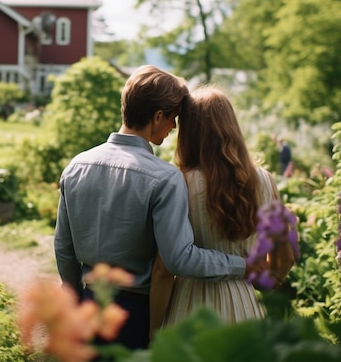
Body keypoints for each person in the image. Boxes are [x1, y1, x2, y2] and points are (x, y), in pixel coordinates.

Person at [54, 66, 264, 350]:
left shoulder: (76, 166)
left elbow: (64, 249)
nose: (175, 127)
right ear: (157, 117)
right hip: (135, 314)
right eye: (173, 118)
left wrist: (76, 300)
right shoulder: (164, 179)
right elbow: (179, 259)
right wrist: (243, 265)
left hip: (89, 304)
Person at [154, 86, 296, 328]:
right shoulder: (265, 180)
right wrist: (263, 279)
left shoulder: (180, 182)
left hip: (189, 308)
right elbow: (285, 257)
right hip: (244, 307)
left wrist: (154, 330)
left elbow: (163, 269)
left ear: (188, 131)